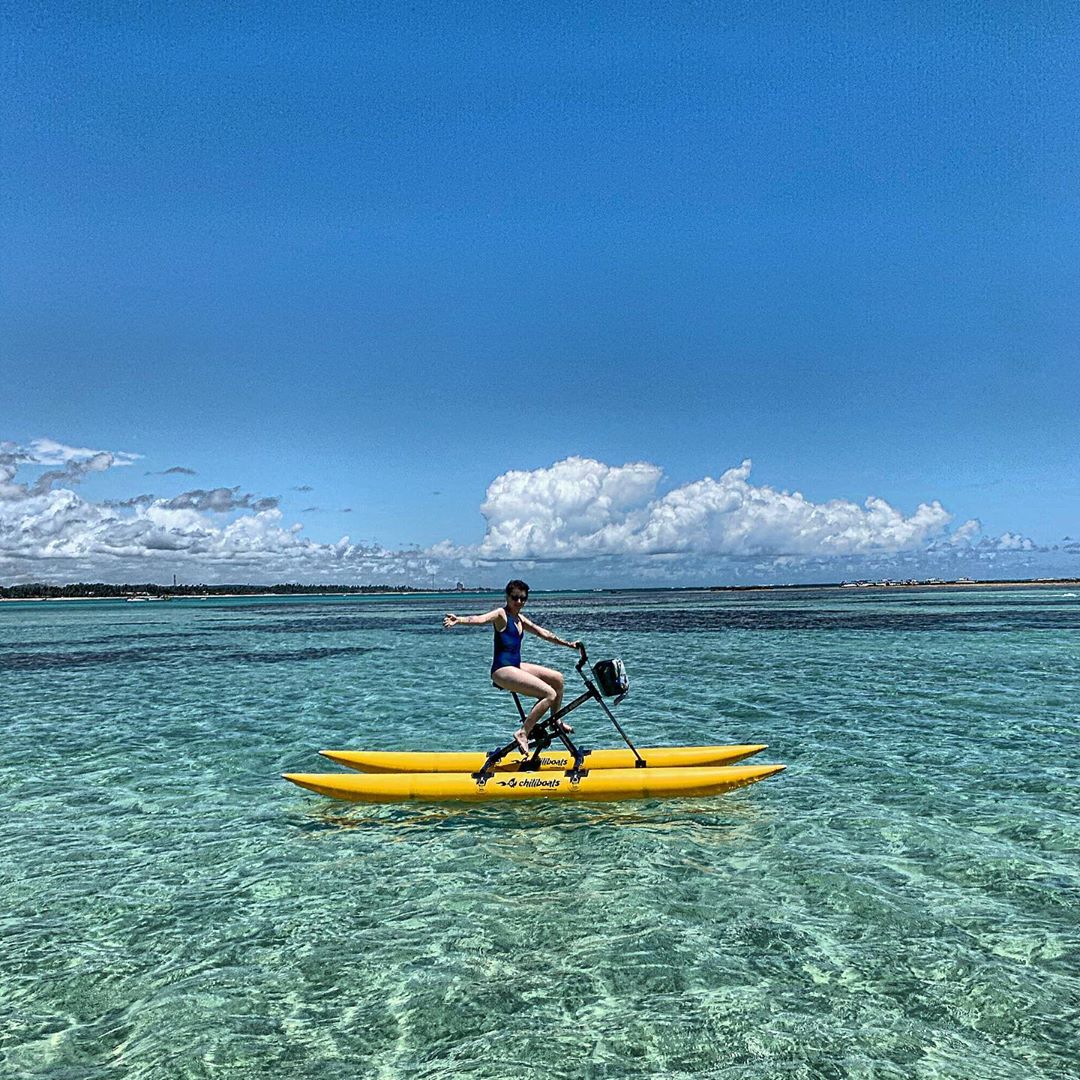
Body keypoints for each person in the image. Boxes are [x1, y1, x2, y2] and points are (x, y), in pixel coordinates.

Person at [443, 580, 581, 755]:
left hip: (515, 666)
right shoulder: (501, 614)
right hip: (502, 670)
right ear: (507, 597)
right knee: (549, 694)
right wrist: (459, 620)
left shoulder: (520, 619)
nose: (519, 602)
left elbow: (543, 633)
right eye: (515, 597)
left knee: (558, 679)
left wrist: (569, 644)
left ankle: (555, 721)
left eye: (523, 598)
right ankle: (523, 733)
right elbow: (481, 619)